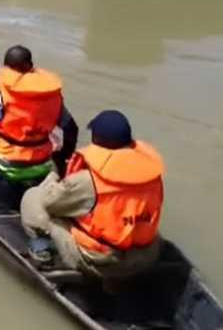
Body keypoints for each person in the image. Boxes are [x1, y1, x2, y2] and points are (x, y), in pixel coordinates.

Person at [19, 110, 165, 280]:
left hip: (102, 260)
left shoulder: (88, 181)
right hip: (144, 257)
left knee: (33, 199)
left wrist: (53, 178)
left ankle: (41, 251)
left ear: (96, 141)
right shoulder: (152, 177)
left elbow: (50, 203)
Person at [0, 45, 78, 181]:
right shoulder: (51, 97)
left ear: (6, 68)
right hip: (42, 161)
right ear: (31, 66)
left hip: (6, 163)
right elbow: (71, 129)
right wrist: (62, 157)